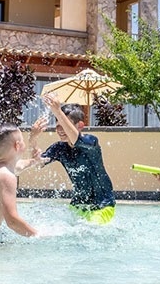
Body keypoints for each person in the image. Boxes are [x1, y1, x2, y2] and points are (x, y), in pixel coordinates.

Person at [25, 93, 116, 222]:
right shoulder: (60, 148)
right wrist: (32, 139)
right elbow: (38, 163)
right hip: (78, 204)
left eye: (64, 125)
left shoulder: (91, 142)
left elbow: (77, 140)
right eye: (58, 126)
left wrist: (57, 111)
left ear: (80, 126)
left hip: (102, 205)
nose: (60, 130)